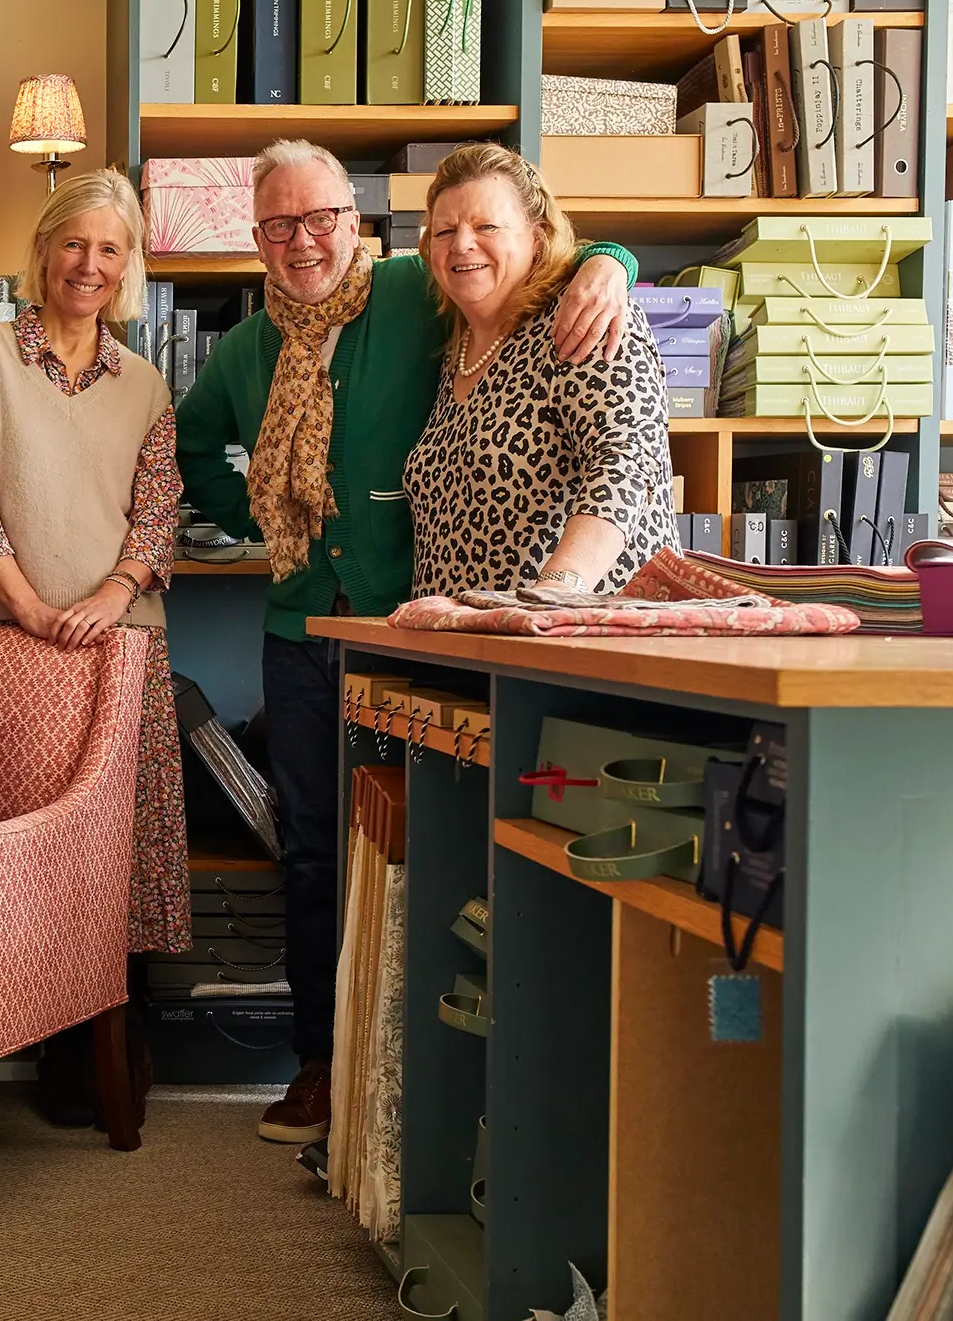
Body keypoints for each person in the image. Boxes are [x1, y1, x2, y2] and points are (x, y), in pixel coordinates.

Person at [174, 139, 638, 1149]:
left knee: (419, 844)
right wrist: (254, 516)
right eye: (279, 225)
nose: (304, 243)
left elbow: (531, 255)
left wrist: (616, 261)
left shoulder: (413, 284)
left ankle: (414, 1068)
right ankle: (319, 1062)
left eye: (323, 217)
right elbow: (190, 442)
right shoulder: (247, 349)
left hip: (409, 625)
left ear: (359, 219)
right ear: (256, 238)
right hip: (299, 629)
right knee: (310, 852)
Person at [0, 168, 187, 971]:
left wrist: (114, 596)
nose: (90, 264)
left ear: (128, 265)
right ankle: (13, 1010)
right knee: (9, 844)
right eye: (74, 243)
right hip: (6, 640)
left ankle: (102, 1035)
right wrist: (32, 608)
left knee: (114, 847)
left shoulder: (145, 385)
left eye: (110, 249)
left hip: (122, 648)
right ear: (43, 253)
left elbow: (158, 512)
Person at [406, 143, 677, 596]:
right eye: (444, 231)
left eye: (487, 225)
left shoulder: (584, 318)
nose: (462, 243)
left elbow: (628, 463)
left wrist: (557, 590)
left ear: (537, 236)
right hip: (462, 646)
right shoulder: (451, 347)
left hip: (577, 639)